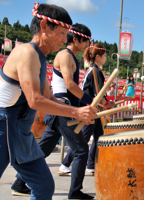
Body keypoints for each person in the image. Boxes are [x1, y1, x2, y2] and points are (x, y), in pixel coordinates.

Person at [0, 3, 97, 200]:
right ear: (44, 26)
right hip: (3, 127)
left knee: (43, 186)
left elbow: (48, 98)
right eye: (62, 33)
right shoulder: (27, 52)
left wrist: (80, 114)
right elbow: (35, 100)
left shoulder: (40, 57)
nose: (64, 39)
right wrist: (76, 113)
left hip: (21, 132)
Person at [59, 43, 107, 176]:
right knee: (83, 138)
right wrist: (104, 100)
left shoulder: (92, 70)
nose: (106, 58)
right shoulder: (96, 71)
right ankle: (65, 164)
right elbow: (99, 93)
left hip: (91, 106)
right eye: (104, 56)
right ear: (97, 57)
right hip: (89, 108)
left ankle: (91, 165)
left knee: (98, 136)